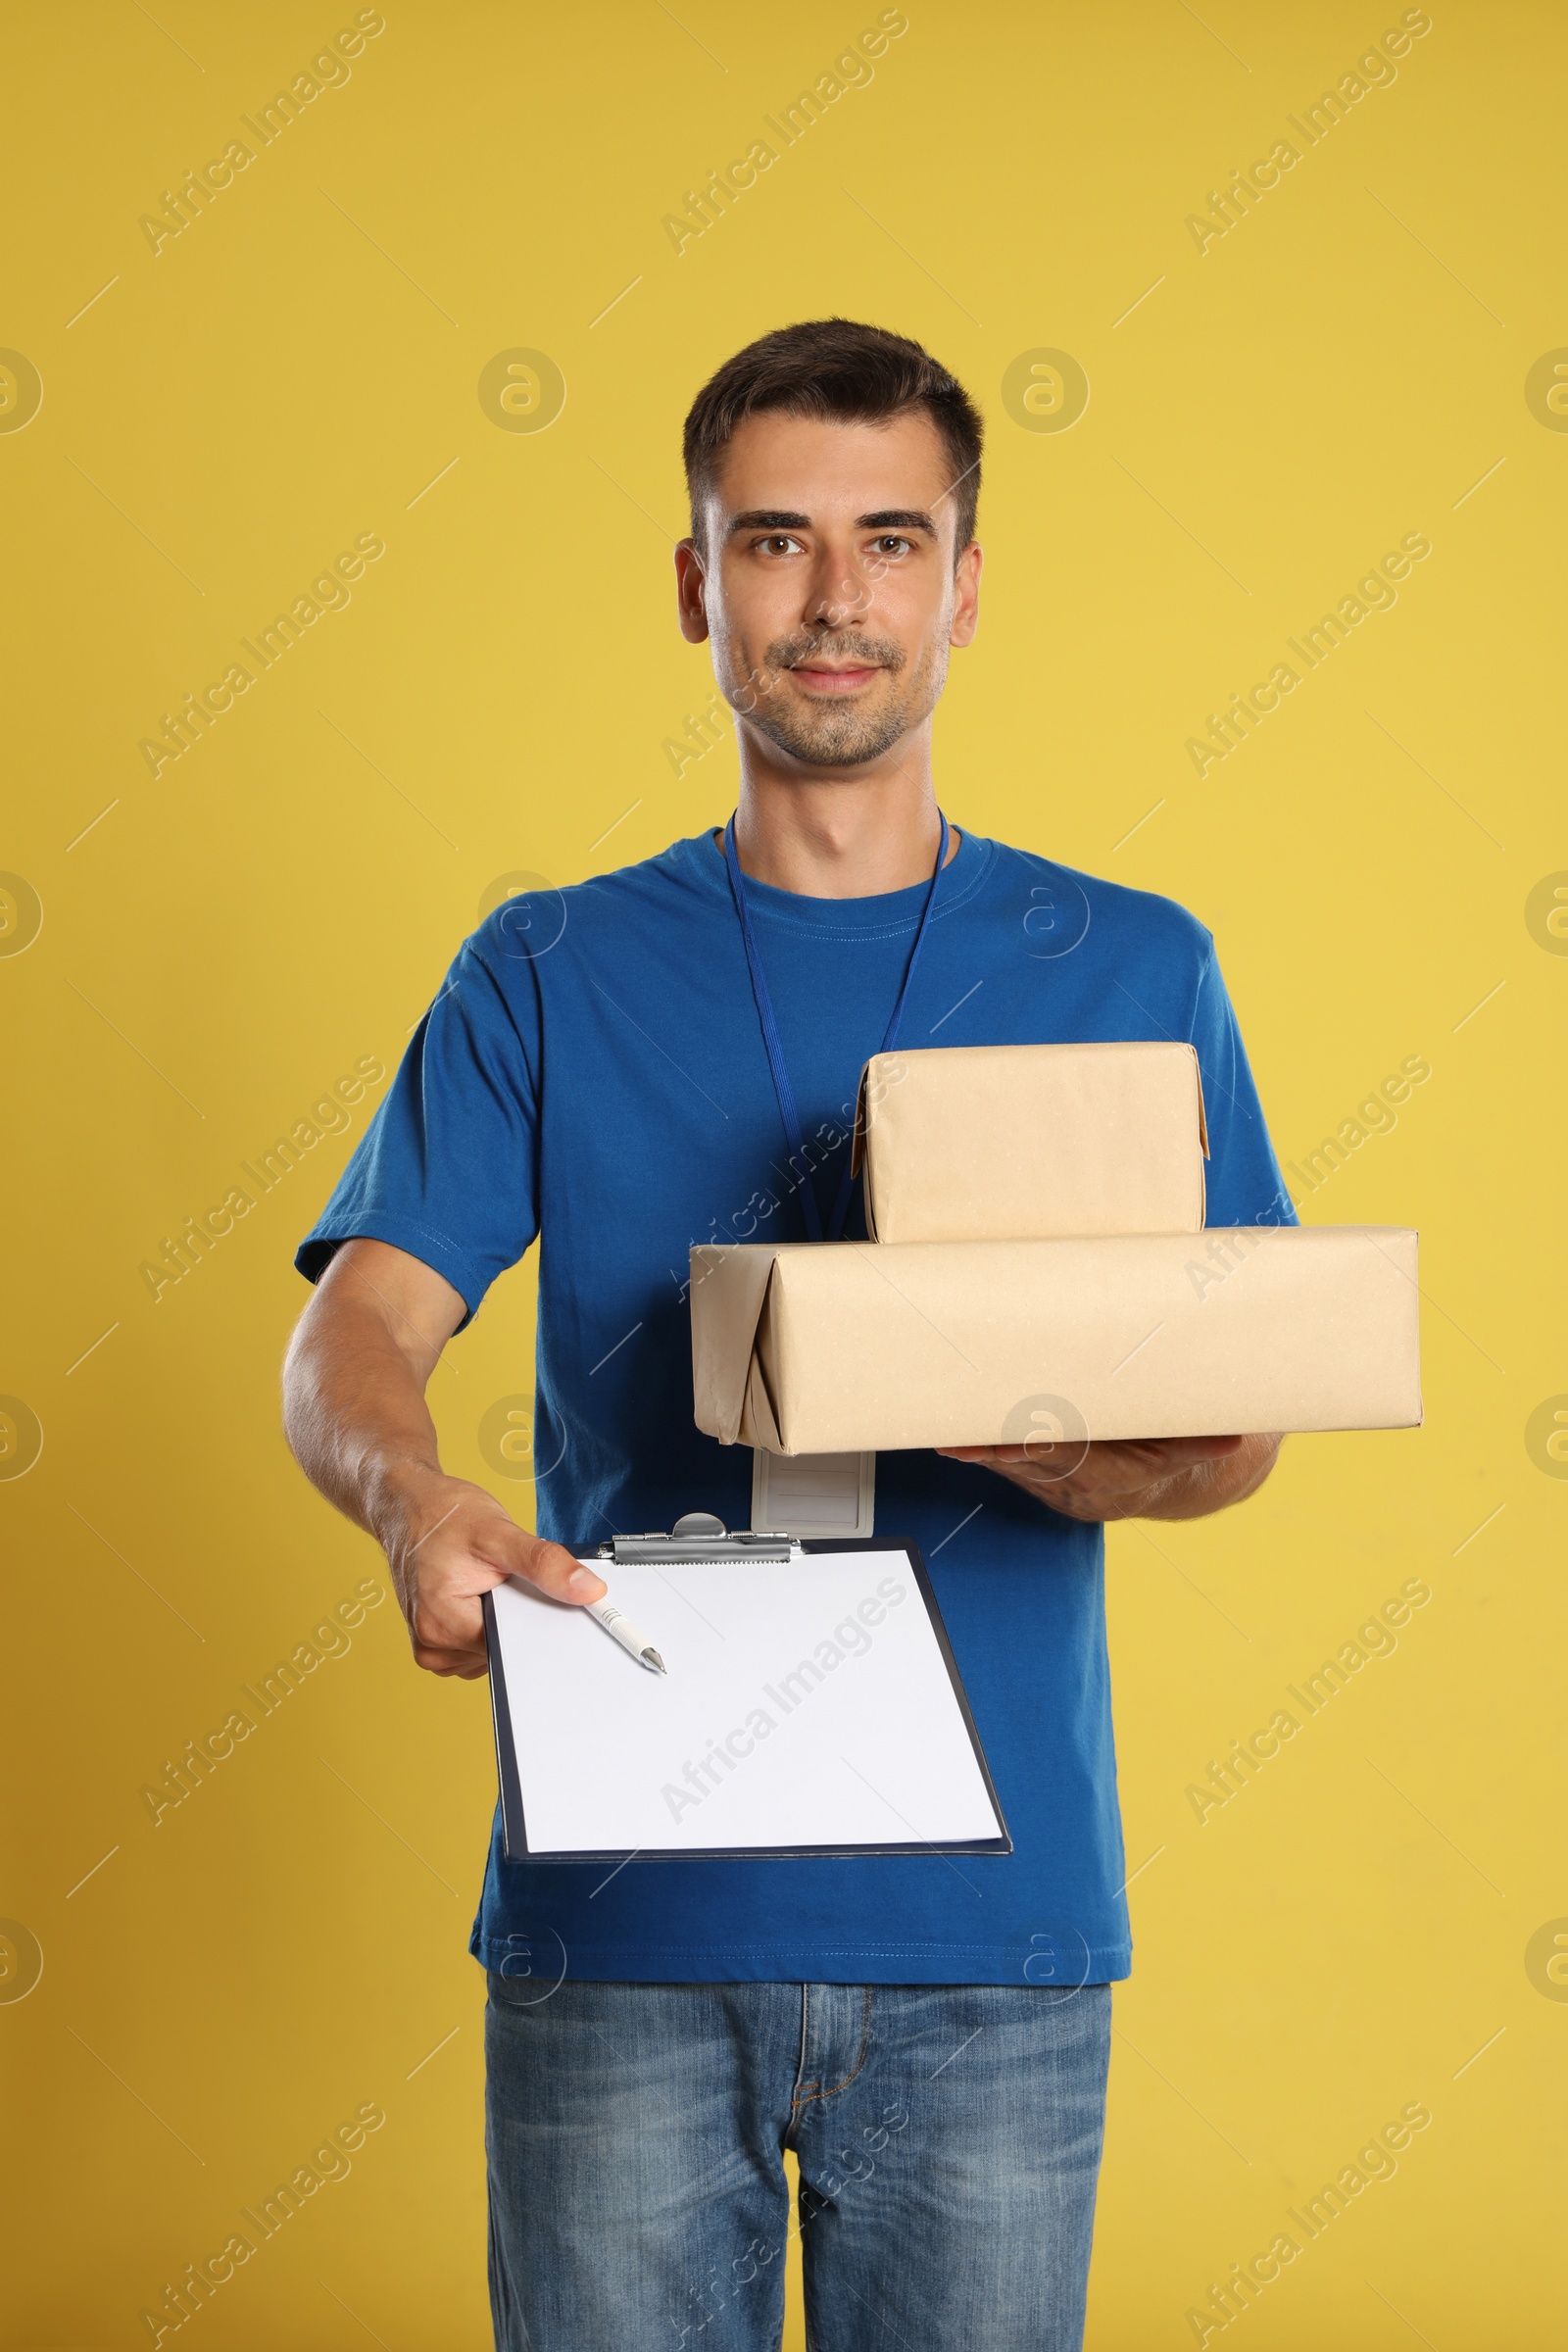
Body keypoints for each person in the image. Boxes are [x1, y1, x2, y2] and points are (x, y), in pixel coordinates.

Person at [283, 317, 1292, 2352]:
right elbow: (349, 1332)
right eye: (772, 543)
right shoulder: (546, 966)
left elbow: (1243, 1415)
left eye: (890, 541)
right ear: (693, 585)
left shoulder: (1122, 965)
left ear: (964, 587)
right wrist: (411, 1497)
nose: (833, 601)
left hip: (987, 1939)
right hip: (625, 1930)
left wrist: (1022, 1430)